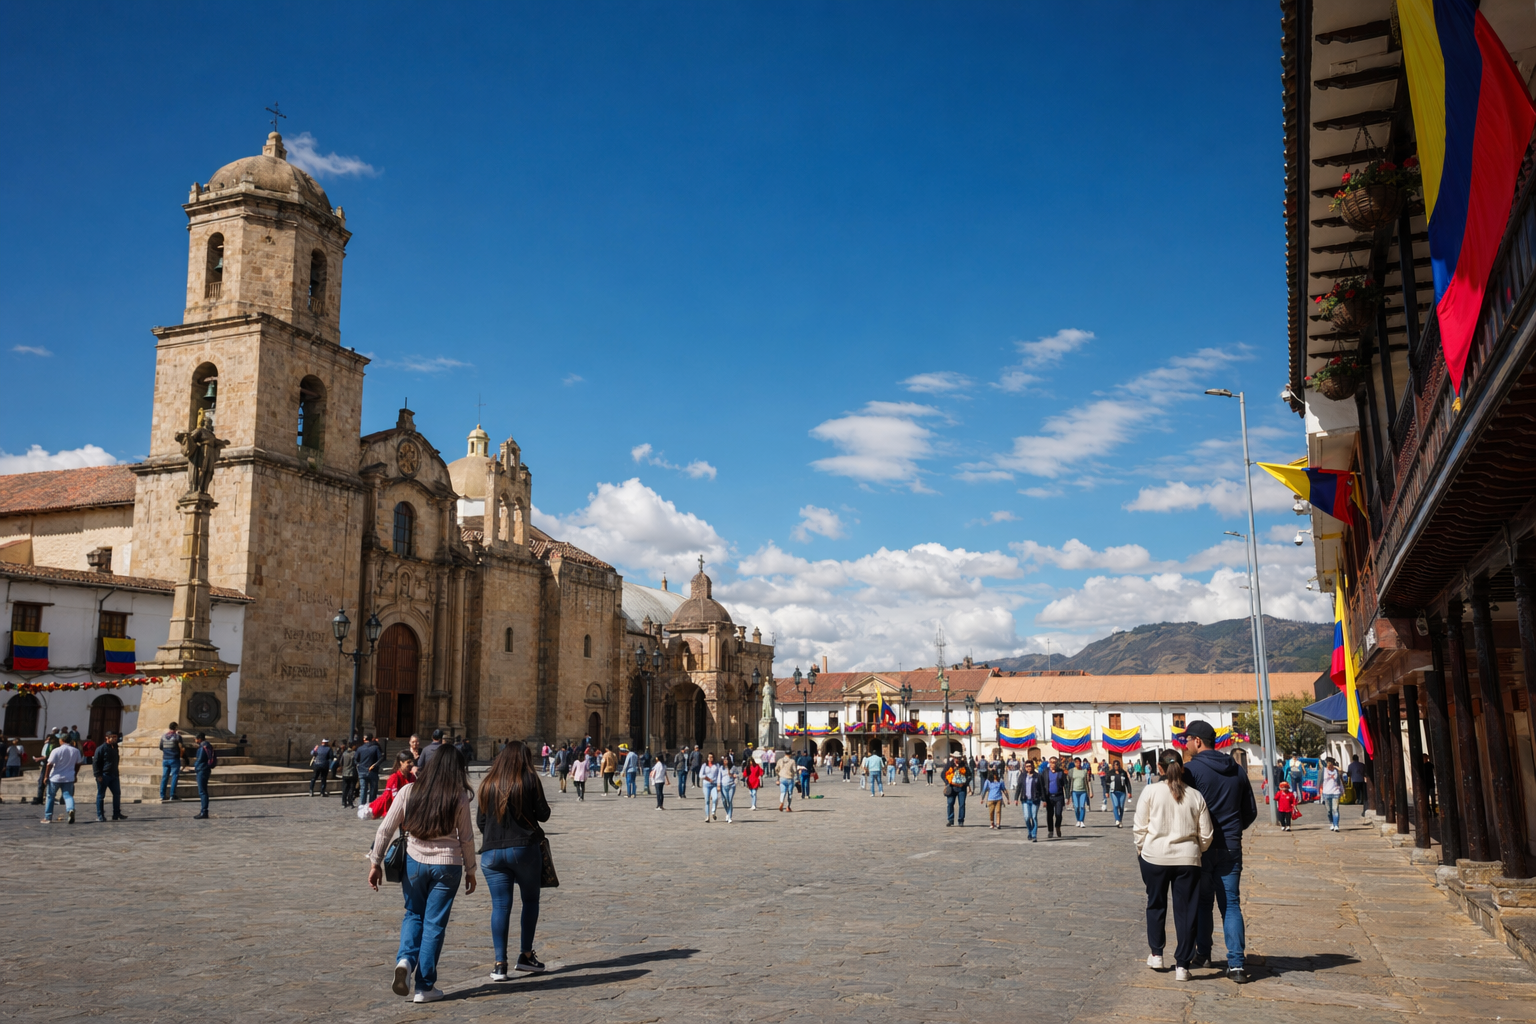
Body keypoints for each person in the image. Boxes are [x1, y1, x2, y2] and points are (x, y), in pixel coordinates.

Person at [368, 744, 477, 1003]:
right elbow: (467, 838)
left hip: (414, 862)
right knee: (434, 923)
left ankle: (405, 960)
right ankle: (425, 986)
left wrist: (375, 862)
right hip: (448, 866)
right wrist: (471, 870)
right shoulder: (459, 796)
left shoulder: (408, 791)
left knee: (413, 914)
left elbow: (385, 829)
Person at [1181, 720, 1258, 984]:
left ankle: (1203, 954)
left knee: (1203, 902)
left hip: (1201, 848)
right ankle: (1236, 963)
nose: (1185, 744)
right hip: (1231, 847)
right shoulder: (1236, 769)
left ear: (1198, 741)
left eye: (1187, 739)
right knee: (1231, 904)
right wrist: (1234, 831)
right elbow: (1251, 811)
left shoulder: (1190, 771)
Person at [1134, 750, 1214, 982]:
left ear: (1159, 768)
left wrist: (1142, 850)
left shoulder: (1150, 791)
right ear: (1182, 768)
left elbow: (1140, 828)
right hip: (1187, 860)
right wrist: (1196, 851)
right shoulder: (1195, 796)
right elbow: (1206, 834)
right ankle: (1182, 965)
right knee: (1187, 912)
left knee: (1156, 905)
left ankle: (1156, 953)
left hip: (1155, 858)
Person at [476, 741, 550, 980]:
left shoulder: (487, 783)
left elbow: (481, 823)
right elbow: (544, 815)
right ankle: (526, 956)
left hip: (492, 853)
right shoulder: (529, 779)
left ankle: (500, 964)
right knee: (530, 900)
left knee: (500, 906)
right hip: (523, 850)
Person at [361, 751, 418, 819]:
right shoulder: (394, 777)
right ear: (401, 762)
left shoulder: (412, 777)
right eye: (408, 762)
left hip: (409, 811)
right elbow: (391, 797)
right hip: (396, 811)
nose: (411, 764)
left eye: (412, 762)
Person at [42, 734, 84, 824]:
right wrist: (75, 775)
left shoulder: (56, 750)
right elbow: (78, 763)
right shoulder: (76, 751)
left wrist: (46, 776)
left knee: (50, 796)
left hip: (55, 777)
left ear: (61, 740)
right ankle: (70, 809)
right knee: (68, 796)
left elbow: (49, 764)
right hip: (69, 777)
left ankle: (48, 817)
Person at [93, 730, 125, 821]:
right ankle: (100, 815)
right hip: (104, 775)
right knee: (101, 795)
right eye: (113, 737)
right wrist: (98, 775)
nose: (115, 739)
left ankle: (116, 813)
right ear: (107, 738)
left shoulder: (115, 748)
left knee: (117, 794)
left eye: (115, 737)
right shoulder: (101, 749)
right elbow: (95, 762)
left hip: (114, 775)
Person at [1015, 758, 1043, 841]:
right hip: (1025, 799)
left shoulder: (1038, 776)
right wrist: (1016, 798)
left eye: (1030, 766)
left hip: (1035, 799)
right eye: (1026, 766)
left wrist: (1043, 799)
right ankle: (1030, 831)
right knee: (1027, 817)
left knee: (1034, 817)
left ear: (1033, 767)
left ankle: (1034, 835)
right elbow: (1019, 787)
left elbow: (1041, 788)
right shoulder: (1022, 776)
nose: (1028, 768)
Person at [193, 732, 218, 819]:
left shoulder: (202, 747)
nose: (195, 740)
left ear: (199, 739)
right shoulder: (208, 746)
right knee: (203, 791)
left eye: (196, 739)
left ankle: (204, 811)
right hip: (206, 769)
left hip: (202, 769)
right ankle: (204, 811)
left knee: (202, 791)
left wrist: (194, 767)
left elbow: (199, 759)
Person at [1043, 756, 1069, 838]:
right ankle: (1050, 830)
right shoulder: (1045, 772)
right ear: (1049, 763)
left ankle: (1058, 826)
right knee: (1049, 815)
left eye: (1054, 762)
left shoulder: (1060, 772)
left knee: (1058, 814)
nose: (1053, 764)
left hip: (1059, 796)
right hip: (1049, 797)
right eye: (1051, 762)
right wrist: (1043, 798)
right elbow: (1042, 785)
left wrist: (1067, 796)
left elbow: (1066, 784)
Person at [159, 723, 184, 802]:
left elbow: (161, 747)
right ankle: (172, 795)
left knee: (164, 777)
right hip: (174, 759)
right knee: (174, 776)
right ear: (176, 728)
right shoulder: (177, 737)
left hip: (165, 759)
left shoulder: (163, 736)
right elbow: (182, 747)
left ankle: (162, 795)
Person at [942, 756, 969, 826]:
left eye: (959, 758)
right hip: (952, 787)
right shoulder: (949, 765)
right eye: (956, 758)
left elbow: (970, 774)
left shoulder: (964, 765)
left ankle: (961, 821)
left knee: (962, 804)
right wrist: (947, 782)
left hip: (962, 787)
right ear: (954, 758)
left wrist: (966, 782)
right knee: (950, 803)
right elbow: (942, 774)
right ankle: (950, 820)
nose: (957, 759)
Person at [1320, 758, 1343, 831]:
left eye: (1331, 763)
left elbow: (1340, 780)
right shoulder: (1323, 771)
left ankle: (1336, 825)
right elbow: (1320, 783)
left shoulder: (1336, 771)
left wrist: (1342, 790)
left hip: (1335, 792)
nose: (1329, 765)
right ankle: (1332, 823)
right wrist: (1320, 794)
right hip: (1326, 793)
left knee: (1335, 809)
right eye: (1328, 763)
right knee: (1329, 810)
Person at [1106, 760, 1132, 827]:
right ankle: (1117, 820)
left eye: (1117, 765)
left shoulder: (1123, 772)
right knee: (1115, 805)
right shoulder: (1110, 773)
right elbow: (1107, 782)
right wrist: (1107, 791)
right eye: (1115, 765)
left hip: (1122, 792)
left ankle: (1120, 820)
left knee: (1121, 807)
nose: (1116, 766)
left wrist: (1129, 791)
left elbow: (1127, 782)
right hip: (1113, 792)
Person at [1069, 756, 1093, 828]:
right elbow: (1068, 781)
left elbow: (1088, 782)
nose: (1078, 764)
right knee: (1076, 807)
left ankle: (1082, 821)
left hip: (1083, 791)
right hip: (1074, 791)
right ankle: (1078, 820)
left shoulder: (1084, 771)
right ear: (1074, 763)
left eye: (1079, 763)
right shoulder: (1071, 771)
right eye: (1076, 763)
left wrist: (1090, 791)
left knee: (1082, 806)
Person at [700, 753, 724, 822]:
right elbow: (701, 775)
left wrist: (719, 784)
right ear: (707, 758)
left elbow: (719, 775)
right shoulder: (704, 765)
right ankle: (707, 816)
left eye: (711, 757)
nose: (710, 758)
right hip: (706, 785)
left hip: (714, 784)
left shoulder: (717, 765)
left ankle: (713, 812)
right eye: (709, 757)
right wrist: (707, 778)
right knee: (707, 801)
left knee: (715, 798)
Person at [338, 740, 361, 809]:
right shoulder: (354, 753)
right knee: (351, 788)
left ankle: (343, 802)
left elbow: (341, 762)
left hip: (345, 773)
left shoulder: (344, 753)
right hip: (352, 773)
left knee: (345, 788)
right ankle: (350, 802)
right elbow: (357, 762)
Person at [719, 755, 738, 823]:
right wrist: (718, 785)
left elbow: (738, 774)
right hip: (723, 786)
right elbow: (719, 777)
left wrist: (734, 776)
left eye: (726, 760)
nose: (725, 761)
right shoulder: (721, 768)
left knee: (729, 800)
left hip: (731, 786)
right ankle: (727, 812)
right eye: (724, 760)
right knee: (724, 800)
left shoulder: (733, 767)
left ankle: (729, 816)